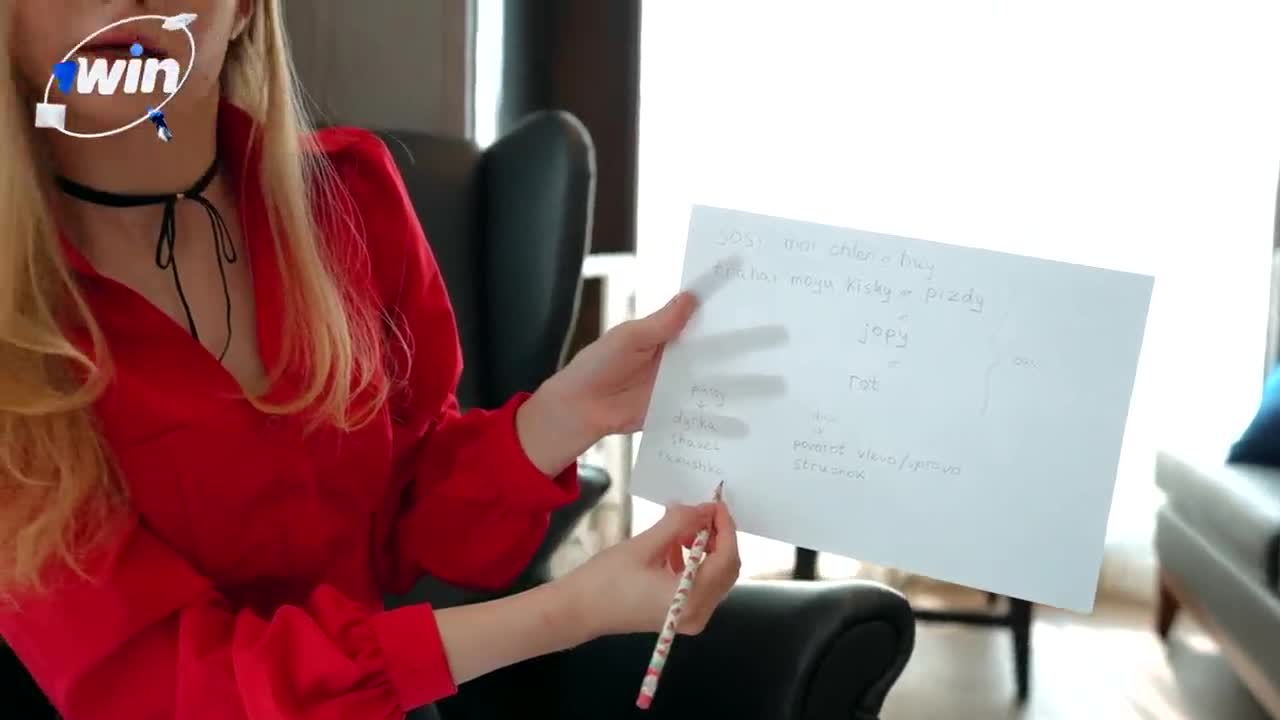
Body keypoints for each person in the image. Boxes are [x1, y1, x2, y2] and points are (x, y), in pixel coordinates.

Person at [0, 2, 741, 718]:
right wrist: (571, 611)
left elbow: (409, 520)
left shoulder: (350, 199)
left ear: (246, 9)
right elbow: (175, 688)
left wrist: (568, 413)